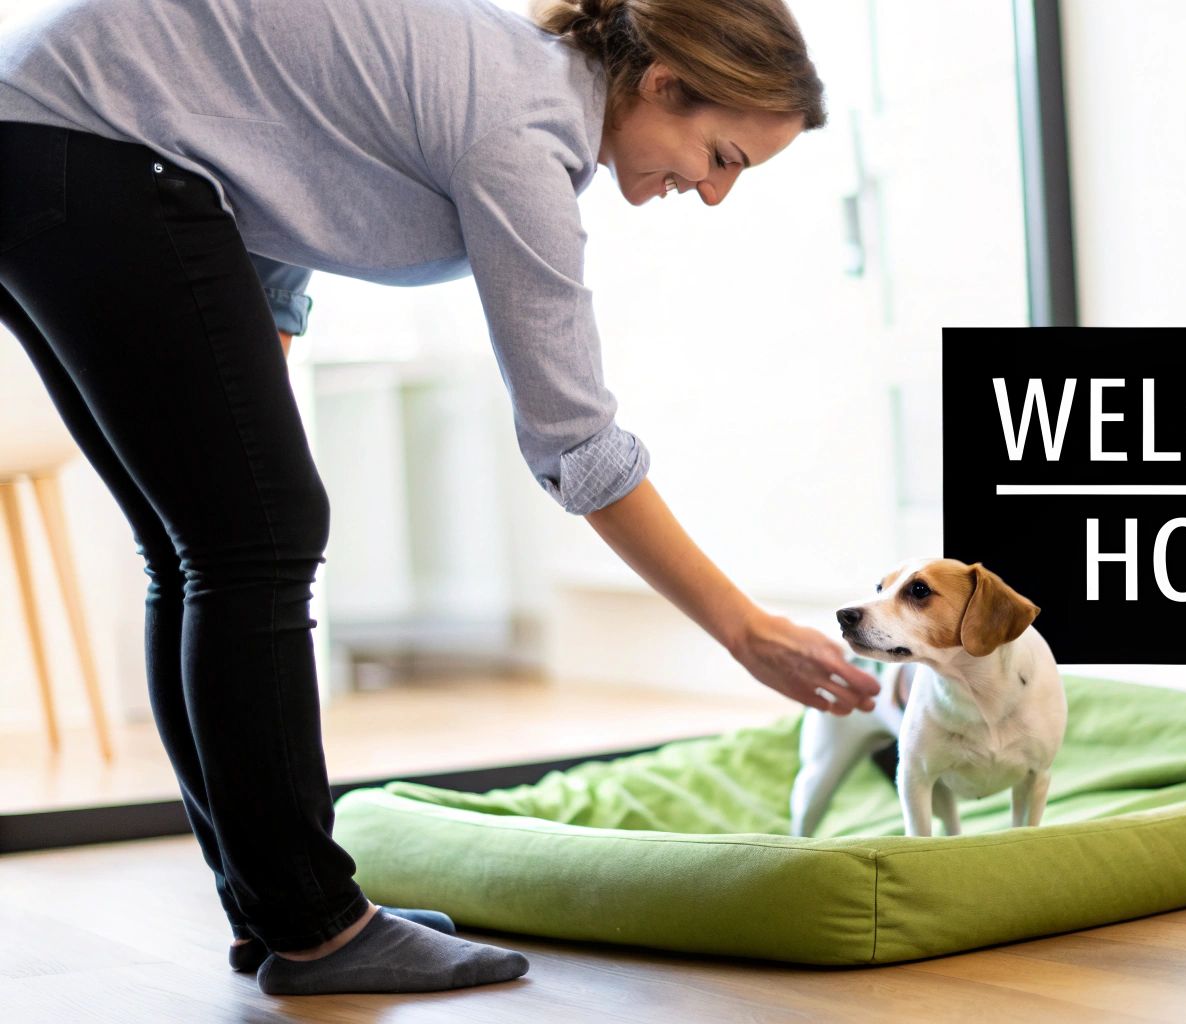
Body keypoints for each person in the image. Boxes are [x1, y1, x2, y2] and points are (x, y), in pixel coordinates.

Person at [0, 0, 881, 997]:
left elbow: (270, 158)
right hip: (85, 136)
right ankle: (315, 924)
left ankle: (274, 907)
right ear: (662, 82)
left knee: (206, 542)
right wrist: (742, 629)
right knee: (254, 539)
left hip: (49, 128)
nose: (715, 193)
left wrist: (253, 368)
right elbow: (575, 442)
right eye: (721, 156)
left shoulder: (513, 82)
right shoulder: (525, 131)